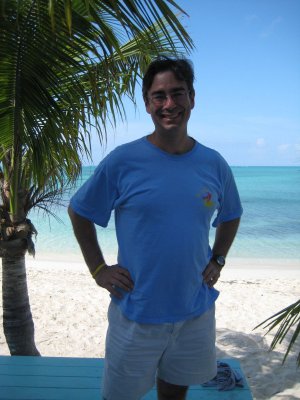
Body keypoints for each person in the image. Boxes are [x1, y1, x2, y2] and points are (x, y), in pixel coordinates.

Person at [68, 58, 243, 400]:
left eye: (177, 94)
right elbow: (80, 211)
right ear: (148, 103)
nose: (169, 105)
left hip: (195, 310)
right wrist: (99, 269)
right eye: (158, 96)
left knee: (174, 395)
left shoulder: (214, 163)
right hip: (136, 312)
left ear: (192, 97)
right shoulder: (123, 160)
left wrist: (218, 259)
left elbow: (232, 214)